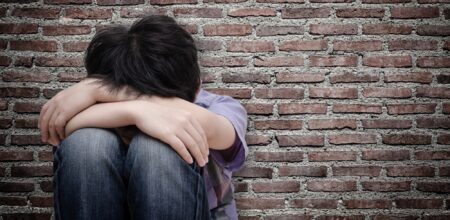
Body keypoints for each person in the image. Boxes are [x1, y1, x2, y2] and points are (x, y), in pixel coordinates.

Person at [38, 15, 248, 220]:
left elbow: (222, 130)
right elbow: (59, 131)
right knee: (87, 142)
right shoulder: (86, 109)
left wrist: (98, 91)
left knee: (156, 149)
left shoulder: (216, 107)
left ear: (197, 89)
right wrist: (137, 112)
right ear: (197, 83)